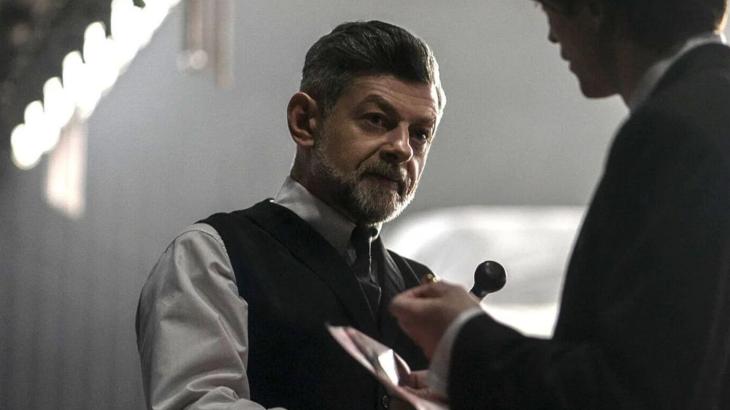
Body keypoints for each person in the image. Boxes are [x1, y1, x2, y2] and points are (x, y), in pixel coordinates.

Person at [390, 0, 730, 409]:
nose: (551, 35)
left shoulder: (673, 130)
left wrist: (462, 335)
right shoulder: (710, 109)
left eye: (549, 7)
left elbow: (637, 390)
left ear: (595, 9)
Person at [136, 20, 446, 410]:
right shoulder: (214, 256)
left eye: (420, 133)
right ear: (305, 121)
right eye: (376, 120)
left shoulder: (421, 289)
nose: (402, 148)